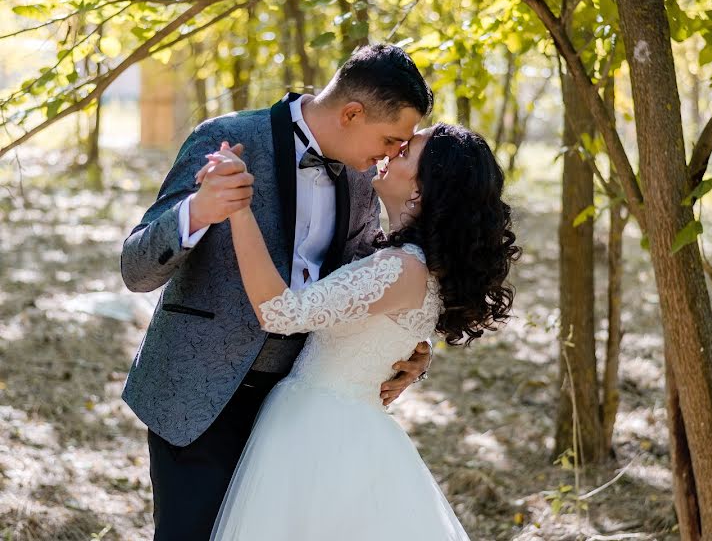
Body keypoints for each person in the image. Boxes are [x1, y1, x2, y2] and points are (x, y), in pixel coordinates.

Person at [120, 44, 435, 540]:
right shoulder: (226, 137)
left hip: (297, 409)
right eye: (391, 138)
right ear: (352, 113)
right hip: (199, 394)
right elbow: (136, 269)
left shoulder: (360, 180)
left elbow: (367, 284)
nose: (393, 154)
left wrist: (413, 348)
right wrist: (197, 212)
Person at [199, 123, 519, 540]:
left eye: (405, 153)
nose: (391, 154)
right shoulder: (415, 262)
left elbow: (280, 312)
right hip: (337, 421)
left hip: (322, 432)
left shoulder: (402, 267)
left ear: (421, 190)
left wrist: (239, 209)